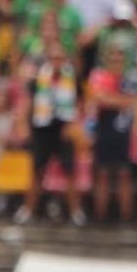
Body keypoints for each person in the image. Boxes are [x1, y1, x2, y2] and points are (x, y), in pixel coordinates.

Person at [16, 38, 87, 224]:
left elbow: (80, 103)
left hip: (64, 128)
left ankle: (75, 211)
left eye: (60, 57)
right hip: (42, 127)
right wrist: (23, 124)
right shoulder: (38, 78)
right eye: (53, 57)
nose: (56, 61)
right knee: (36, 171)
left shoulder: (72, 79)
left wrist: (74, 124)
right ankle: (28, 209)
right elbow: (28, 102)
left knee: (70, 171)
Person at [85, 43, 137, 221]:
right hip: (103, 129)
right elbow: (97, 99)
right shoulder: (98, 77)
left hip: (124, 132)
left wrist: (110, 99)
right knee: (102, 174)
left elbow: (133, 102)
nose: (116, 61)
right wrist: (118, 100)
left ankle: (126, 218)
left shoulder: (130, 80)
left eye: (119, 58)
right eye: (113, 57)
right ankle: (100, 216)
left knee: (125, 174)